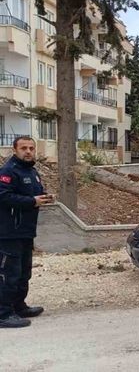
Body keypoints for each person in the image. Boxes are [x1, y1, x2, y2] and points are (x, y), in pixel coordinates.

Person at [0, 136, 51, 328]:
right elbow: (3, 196)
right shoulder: (8, 171)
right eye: (24, 148)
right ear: (15, 150)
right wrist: (32, 201)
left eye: (31, 148)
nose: (28, 151)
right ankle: (3, 313)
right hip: (9, 233)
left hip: (25, 232)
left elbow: (32, 193)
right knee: (8, 273)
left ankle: (18, 306)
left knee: (23, 273)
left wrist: (44, 197)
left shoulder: (31, 171)